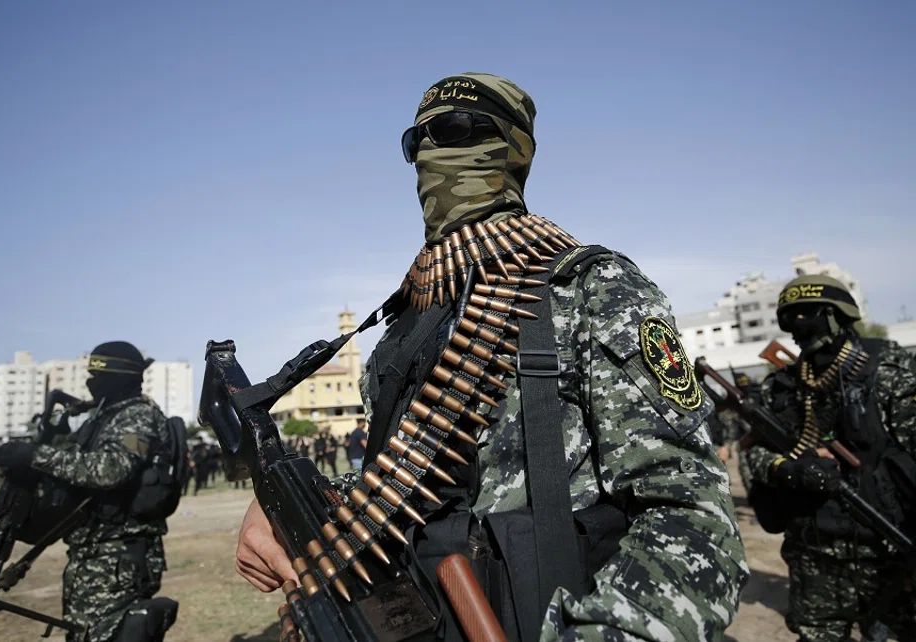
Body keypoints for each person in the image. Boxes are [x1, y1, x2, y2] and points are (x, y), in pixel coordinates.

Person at [233, 73, 747, 640]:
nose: (431, 150)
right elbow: (410, 478)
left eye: (456, 129)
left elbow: (692, 512)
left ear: (514, 148)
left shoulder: (595, 290)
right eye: (416, 140)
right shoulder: (406, 324)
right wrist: (295, 501)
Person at [742, 275, 916, 641]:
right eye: (790, 317)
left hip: (889, 551)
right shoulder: (783, 385)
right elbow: (753, 456)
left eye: (809, 314)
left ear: (839, 316)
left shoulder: (887, 372)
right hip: (815, 554)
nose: (798, 326)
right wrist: (786, 469)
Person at [0, 341, 176, 642]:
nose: (91, 382)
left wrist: (35, 455)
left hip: (119, 556)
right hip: (94, 553)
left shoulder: (137, 415)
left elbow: (112, 469)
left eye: (100, 376)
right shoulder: (104, 416)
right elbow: (78, 466)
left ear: (122, 379)